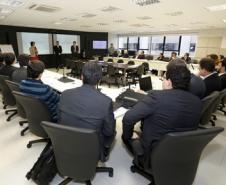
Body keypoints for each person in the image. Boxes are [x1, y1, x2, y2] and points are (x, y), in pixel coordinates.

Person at [122, 59, 202, 168]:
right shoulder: (197, 102)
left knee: (126, 135)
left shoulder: (156, 97)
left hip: (153, 155)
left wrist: (129, 135)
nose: (163, 81)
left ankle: (141, 158)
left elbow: (128, 119)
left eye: (163, 79)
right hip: (183, 152)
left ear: (169, 82)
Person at [58, 61, 116, 160]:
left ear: (81, 77)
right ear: (99, 79)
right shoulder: (106, 102)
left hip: (67, 141)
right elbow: (109, 132)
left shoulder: (65, 94)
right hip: (92, 149)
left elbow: (59, 119)